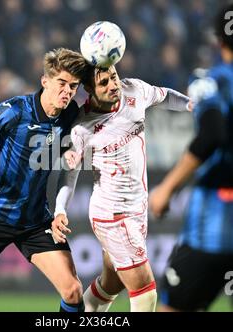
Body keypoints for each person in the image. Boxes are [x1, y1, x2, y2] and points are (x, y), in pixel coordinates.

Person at [0, 48, 88, 312]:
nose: (68, 91)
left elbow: (69, 155)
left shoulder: (69, 115)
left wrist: (70, 157)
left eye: (74, 86)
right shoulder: (14, 110)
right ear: (45, 81)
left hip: (34, 221)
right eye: (62, 84)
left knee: (73, 291)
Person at [51, 62, 191, 311]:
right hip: (113, 215)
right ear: (88, 89)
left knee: (110, 284)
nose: (113, 85)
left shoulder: (134, 90)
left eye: (114, 77)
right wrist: (60, 208)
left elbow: (166, 96)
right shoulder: (82, 127)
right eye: (104, 83)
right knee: (144, 290)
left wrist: (189, 104)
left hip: (136, 209)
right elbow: (68, 176)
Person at [149, 3, 233, 312]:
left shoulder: (213, 80)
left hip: (215, 224)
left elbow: (211, 135)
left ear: (218, 40)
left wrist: (167, 188)